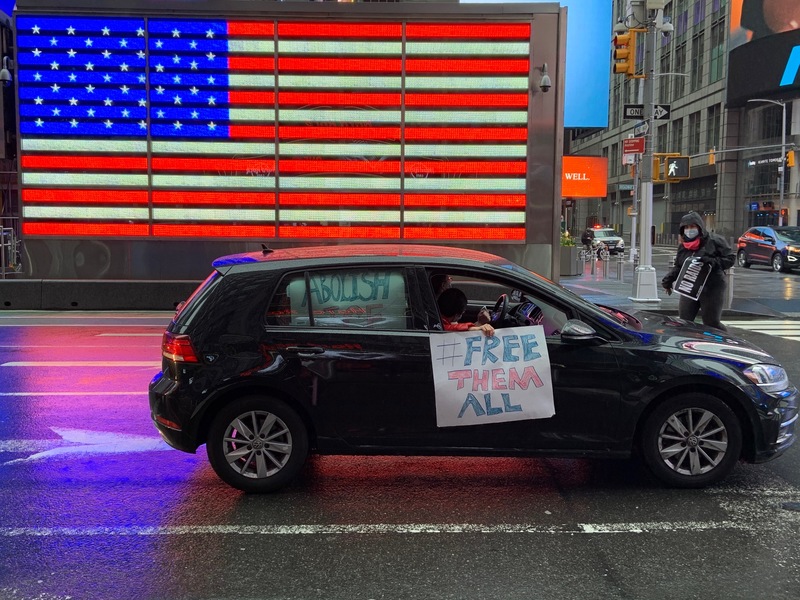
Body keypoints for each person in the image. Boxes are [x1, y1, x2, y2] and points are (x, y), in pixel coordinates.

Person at [661, 212, 735, 331]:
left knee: (711, 323)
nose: (689, 230)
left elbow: (730, 259)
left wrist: (713, 261)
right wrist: (668, 281)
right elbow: (679, 266)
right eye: (686, 227)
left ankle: (727, 342)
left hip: (712, 287)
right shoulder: (683, 247)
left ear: (699, 227)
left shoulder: (715, 241)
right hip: (690, 286)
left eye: (692, 227)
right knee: (684, 321)